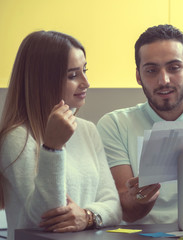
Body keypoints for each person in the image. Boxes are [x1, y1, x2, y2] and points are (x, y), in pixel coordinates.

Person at [97, 24, 183, 224]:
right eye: (151, 70)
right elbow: (125, 211)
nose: (163, 80)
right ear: (138, 76)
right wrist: (141, 198)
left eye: (174, 68)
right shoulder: (115, 125)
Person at [0, 31, 122, 240]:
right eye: (73, 75)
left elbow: (114, 206)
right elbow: (45, 218)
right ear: (43, 80)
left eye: (84, 70)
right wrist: (53, 148)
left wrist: (87, 216)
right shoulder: (17, 138)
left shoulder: (88, 130)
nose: (86, 82)